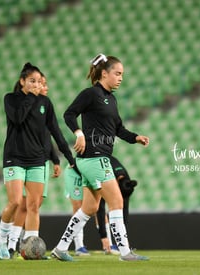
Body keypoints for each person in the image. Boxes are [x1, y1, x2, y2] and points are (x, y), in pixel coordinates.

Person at [51, 53, 150, 262]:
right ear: (104, 73)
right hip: (95, 158)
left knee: (90, 208)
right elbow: (69, 114)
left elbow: (118, 129)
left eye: (122, 74)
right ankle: (125, 252)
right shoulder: (91, 94)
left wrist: (135, 138)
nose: (121, 78)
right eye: (117, 73)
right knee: (117, 201)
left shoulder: (111, 99)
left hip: (90, 160)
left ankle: (60, 249)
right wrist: (78, 133)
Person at [0, 62, 76, 260]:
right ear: (22, 81)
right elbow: (17, 118)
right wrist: (31, 96)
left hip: (37, 161)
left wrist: (65, 157)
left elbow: (54, 131)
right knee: (15, 202)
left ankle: (31, 248)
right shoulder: (11, 99)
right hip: (14, 158)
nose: (36, 84)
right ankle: (2, 242)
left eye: (39, 81)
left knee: (33, 205)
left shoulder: (45, 104)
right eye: (32, 81)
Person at [6, 73, 62, 258]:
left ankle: (26, 245)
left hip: (41, 162)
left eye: (44, 84)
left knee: (34, 205)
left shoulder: (45, 108)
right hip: (30, 160)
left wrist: (55, 159)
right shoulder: (31, 106)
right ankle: (14, 243)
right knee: (25, 205)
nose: (43, 87)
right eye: (39, 83)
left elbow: (49, 139)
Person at [95, 155, 137, 254]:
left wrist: (124, 238)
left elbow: (124, 210)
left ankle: (115, 245)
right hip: (92, 172)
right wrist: (103, 236)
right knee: (93, 208)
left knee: (115, 207)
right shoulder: (107, 176)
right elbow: (100, 209)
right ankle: (80, 246)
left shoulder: (126, 182)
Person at [63, 165, 90, 256]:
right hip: (75, 170)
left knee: (90, 207)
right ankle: (79, 246)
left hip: (89, 171)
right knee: (78, 207)